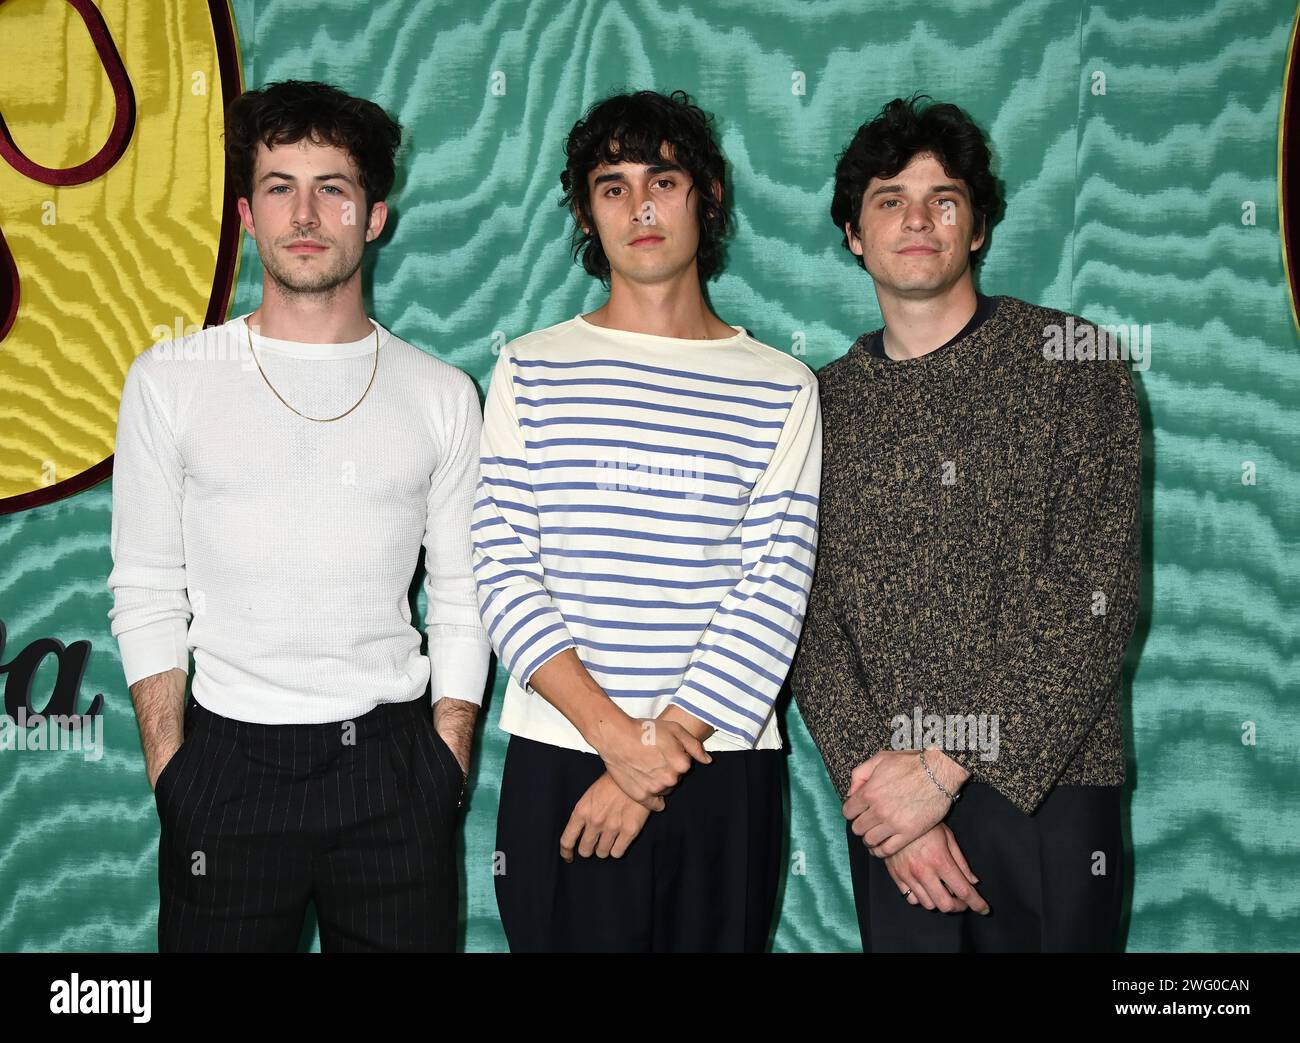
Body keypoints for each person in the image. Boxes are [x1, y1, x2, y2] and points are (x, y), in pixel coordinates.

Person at [107, 80, 489, 952]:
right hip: (225, 767)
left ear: (375, 216)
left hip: (396, 771)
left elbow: (465, 595)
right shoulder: (171, 381)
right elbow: (146, 587)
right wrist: (175, 774)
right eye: (280, 186)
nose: (305, 213)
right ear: (247, 213)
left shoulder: (440, 394)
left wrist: (446, 761)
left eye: (333, 188)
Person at [473, 89, 821, 952]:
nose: (641, 206)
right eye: (612, 185)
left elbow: (774, 585)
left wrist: (653, 755)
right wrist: (611, 738)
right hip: (563, 755)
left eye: (662, 179)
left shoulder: (783, 384)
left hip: (717, 763)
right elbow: (503, 566)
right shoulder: (530, 367)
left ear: (705, 195)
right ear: (588, 213)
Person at [791, 94, 1140, 952]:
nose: (917, 219)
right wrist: (894, 805)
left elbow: (1096, 593)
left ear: (977, 227)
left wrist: (942, 769)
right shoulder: (815, 403)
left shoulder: (1076, 362)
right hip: (892, 811)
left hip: (1053, 791)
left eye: (943, 198)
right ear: (852, 234)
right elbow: (803, 615)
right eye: (888, 200)